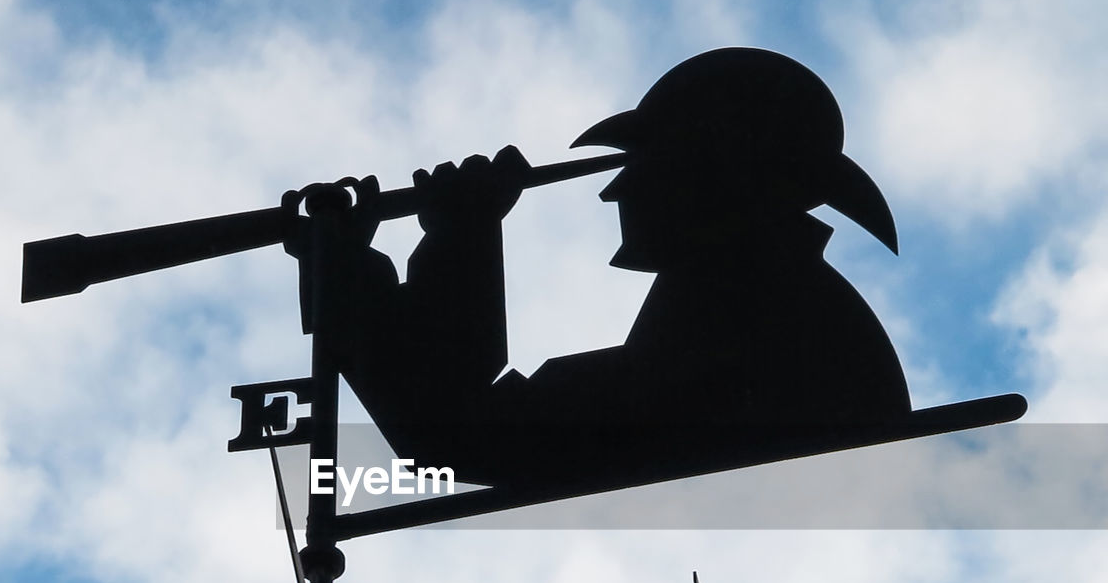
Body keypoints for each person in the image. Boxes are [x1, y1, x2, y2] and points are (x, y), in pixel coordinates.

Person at [295, 48, 912, 491]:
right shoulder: (755, 280)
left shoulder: (752, 294)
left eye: (639, 166)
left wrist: (450, 238)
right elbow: (466, 432)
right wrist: (434, 244)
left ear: (708, 178)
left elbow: (466, 438)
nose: (613, 192)